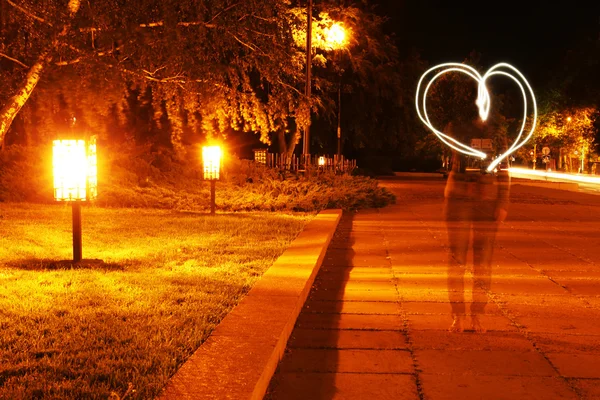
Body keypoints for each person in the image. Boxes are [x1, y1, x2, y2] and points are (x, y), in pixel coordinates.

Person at [443, 118, 510, 332]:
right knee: (457, 259)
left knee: (483, 262)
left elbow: (504, 168)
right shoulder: (457, 127)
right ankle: (458, 315)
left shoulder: (497, 133)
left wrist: (502, 203)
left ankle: (477, 314)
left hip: (487, 202)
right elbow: (448, 139)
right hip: (459, 199)